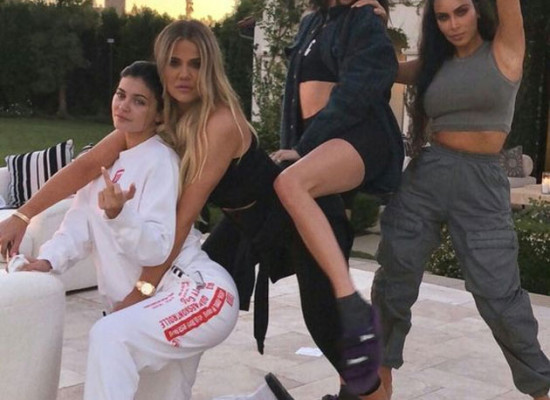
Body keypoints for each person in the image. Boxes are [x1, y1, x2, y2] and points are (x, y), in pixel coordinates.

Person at [0, 19, 377, 400]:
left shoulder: (219, 121)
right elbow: (85, 166)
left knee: (329, 331)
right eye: (175, 63)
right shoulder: (164, 114)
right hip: (243, 223)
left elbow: (182, 219)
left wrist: (142, 290)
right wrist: (21, 216)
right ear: (161, 64)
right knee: (186, 305)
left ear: (209, 68)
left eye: (195, 64)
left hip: (292, 220)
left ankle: (374, 391)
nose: (184, 74)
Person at [14, 61, 239, 400]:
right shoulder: (105, 165)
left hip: (197, 292)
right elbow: (76, 228)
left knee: (109, 336)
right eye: (120, 95)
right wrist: (47, 261)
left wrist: (120, 215)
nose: (124, 106)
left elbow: (158, 249)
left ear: (159, 115)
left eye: (139, 101)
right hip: (152, 306)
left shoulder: (160, 161)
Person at [370, 0, 550, 399]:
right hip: (428, 175)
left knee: (499, 295)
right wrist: (375, 25)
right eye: (443, 16)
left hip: (481, 185)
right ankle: (377, 383)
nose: (453, 24)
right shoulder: (435, 64)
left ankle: (541, 389)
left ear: (478, 10)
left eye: (461, 11)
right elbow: (387, 69)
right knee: (394, 277)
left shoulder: (505, 49)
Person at [270, 0, 403, 397]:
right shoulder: (312, 22)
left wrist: (303, 150)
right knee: (318, 298)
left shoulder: (363, 17)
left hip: (357, 140)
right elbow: (293, 104)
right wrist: (296, 147)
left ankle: (350, 300)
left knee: (289, 184)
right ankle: (352, 389)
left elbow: (360, 90)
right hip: (320, 153)